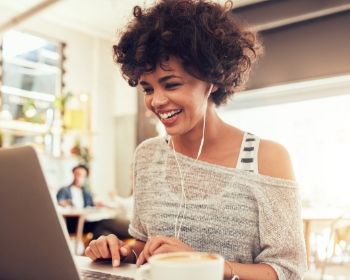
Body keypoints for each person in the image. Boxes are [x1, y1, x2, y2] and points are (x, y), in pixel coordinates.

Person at [85, 1, 307, 279]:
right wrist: (118, 251)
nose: (157, 100)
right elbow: (144, 249)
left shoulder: (267, 158)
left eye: (171, 84)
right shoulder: (147, 155)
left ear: (212, 79)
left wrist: (204, 263)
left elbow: (288, 271)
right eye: (148, 88)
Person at [56, 164, 97, 234]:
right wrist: (66, 203)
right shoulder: (64, 190)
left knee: (103, 227)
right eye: (77, 174)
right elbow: (59, 203)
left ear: (85, 178)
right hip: (71, 223)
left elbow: (92, 206)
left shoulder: (86, 192)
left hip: (85, 221)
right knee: (103, 225)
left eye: (82, 176)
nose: (79, 177)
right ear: (73, 174)